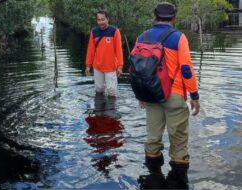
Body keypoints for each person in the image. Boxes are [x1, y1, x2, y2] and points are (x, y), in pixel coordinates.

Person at [135, 2, 200, 189]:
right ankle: (178, 179)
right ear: (173, 18)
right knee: (178, 140)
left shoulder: (142, 37)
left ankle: (153, 174)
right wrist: (194, 95)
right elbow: (186, 69)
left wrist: (142, 94)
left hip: (151, 95)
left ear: (154, 16)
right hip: (174, 94)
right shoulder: (178, 37)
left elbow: (138, 69)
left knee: (153, 137)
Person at [85, 10, 124, 97]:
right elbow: (90, 50)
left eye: (103, 19)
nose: (101, 22)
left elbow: (119, 50)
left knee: (112, 93)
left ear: (108, 19)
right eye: (99, 20)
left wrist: (120, 66)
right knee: (99, 90)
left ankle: (111, 110)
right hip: (97, 67)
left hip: (111, 67)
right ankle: (99, 110)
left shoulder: (115, 31)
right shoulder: (94, 32)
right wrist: (88, 65)